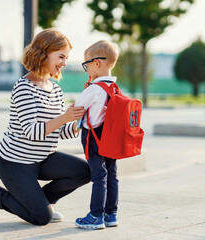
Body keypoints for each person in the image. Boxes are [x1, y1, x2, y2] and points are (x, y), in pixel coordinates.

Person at [0, 29, 90, 226]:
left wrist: (79, 122)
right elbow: (32, 132)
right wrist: (64, 118)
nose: (64, 63)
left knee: (85, 171)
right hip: (15, 162)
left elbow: (59, 131)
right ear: (43, 53)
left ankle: (44, 203)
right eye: (61, 56)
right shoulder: (23, 87)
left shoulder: (56, 90)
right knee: (40, 218)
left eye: (66, 58)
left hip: (43, 158)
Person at [74, 40, 119, 229]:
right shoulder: (115, 88)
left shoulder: (94, 89)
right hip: (111, 137)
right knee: (112, 174)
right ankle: (111, 214)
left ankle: (95, 216)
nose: (86, 69)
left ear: (97, 63)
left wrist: (88, 91)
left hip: (94, 136)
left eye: (87, 65)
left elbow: (77, 108)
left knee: (98, 176)